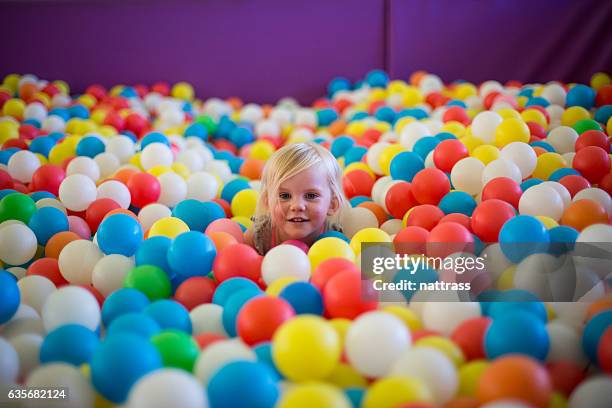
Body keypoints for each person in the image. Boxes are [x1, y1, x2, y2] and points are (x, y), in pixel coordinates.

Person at [244, 142, 348, 255]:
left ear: (332, 204)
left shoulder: (337, 241)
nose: (297, 205)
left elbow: (368, 269)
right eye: (284, 196)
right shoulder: (259, 237)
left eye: (311, 196)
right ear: (268, 202)